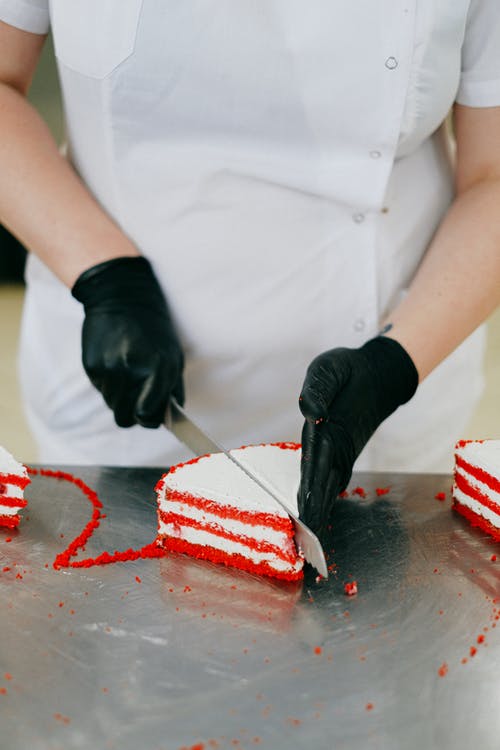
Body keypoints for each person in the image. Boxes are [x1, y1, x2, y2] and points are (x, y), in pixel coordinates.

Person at [0, 2, 499, 534]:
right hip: (129, 406)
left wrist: (394, 366)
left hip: (389, 394)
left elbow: (492, 175)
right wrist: (104, 276)